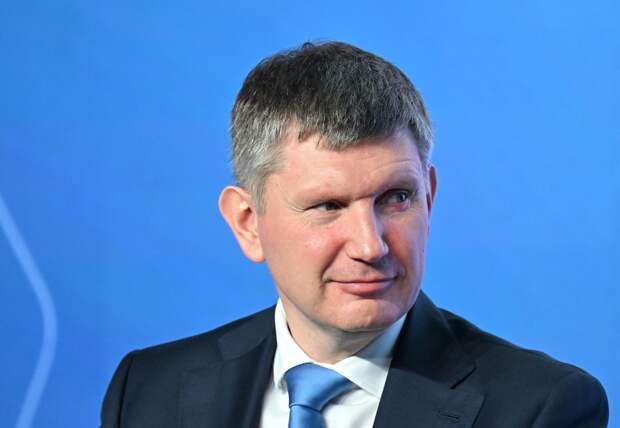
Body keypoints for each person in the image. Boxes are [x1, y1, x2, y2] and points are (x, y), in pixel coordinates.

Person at [100, 41, 608, 428]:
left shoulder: (542, 408)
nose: (371, 246)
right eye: (328, 206)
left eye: (396, 198)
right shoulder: (148, 391)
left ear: (429, 197)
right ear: (248, 222)